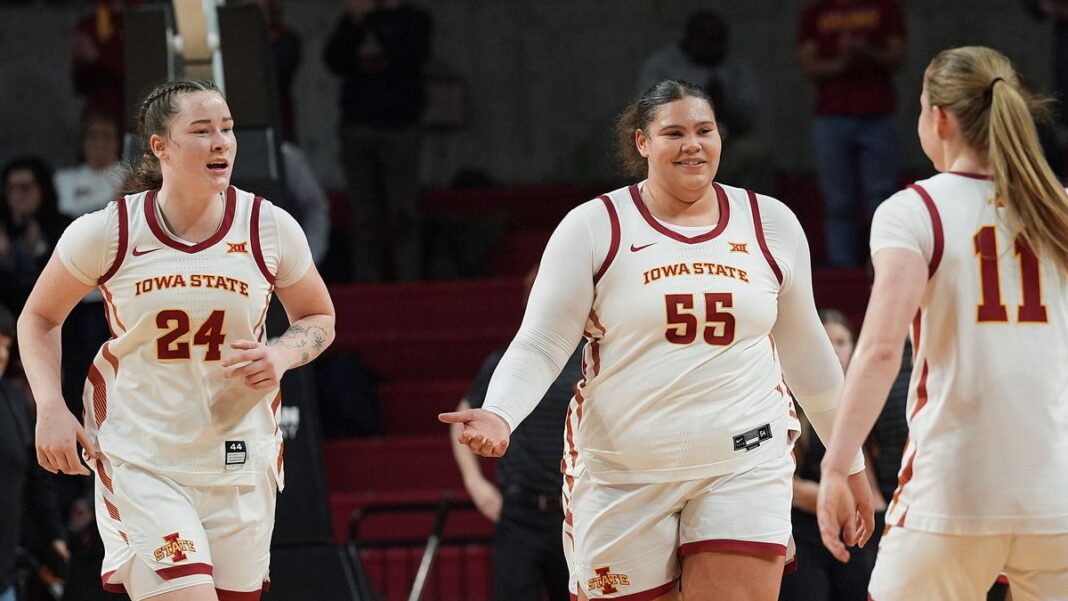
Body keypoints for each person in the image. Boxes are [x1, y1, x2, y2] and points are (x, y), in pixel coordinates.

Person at [440, 79, 873, 601]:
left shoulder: (772, 223)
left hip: (742, 459)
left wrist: (849, 464)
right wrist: (500, 412)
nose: (692, 144)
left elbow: (808, 352)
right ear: (642, 143)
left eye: (704, 131)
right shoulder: (593, 227)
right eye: (674, 133)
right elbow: (541, 342)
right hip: (625, 470)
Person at [18, 79, 336, 601]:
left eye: (228, 129)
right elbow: (39, 317)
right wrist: (49, 405)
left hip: (239, 456)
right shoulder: (109, 231)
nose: (222, 143)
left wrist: (281, 354)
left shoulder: (268, 227)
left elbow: (319, 316)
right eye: (203, 130)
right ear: (159, 147)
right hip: (142, 457)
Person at [817, 46, 1068, 600]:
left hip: (954, 490)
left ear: (940, 118)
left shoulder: (914, 210)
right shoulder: (1060, 208)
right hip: (1057, 496)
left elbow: (881, 351)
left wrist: (837, 466)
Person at [449, 264, 580, 601]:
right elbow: (466, 414)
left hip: (578, 511)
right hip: (521, 511)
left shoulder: (591, 358)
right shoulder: (510, 359)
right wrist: (475, 485)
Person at [323, 0, 432, 282]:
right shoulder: (354, 20)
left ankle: (410, 281)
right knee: (364, 215)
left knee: (403, 212)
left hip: (401, 127)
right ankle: (367, 283)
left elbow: (413, 55)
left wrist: (385, 28)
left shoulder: (413, 20)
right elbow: (334, 59)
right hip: (358, 127)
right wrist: (355, 22)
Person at [780, 309, 885, 601]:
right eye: (827, 342)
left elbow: (877, 492)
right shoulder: (790, 396)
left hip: (858, 529)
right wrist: (815, 496)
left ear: (855, 347)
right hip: (802, 527)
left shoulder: (872, 399)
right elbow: (780, 477)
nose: (835, 351)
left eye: (842, 342)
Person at [798, 0, 906, 267]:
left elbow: (897, 57)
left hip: (877, 114)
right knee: (838, 203)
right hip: (832, 117)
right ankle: (843, 272)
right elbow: (810, 67)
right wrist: (845, 62)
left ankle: (884, 265)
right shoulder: (816, 11)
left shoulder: (885, 7)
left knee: (881, 198)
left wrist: (867, 53)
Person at [639, 10, 772, 193]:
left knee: (756, 155)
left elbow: (751, 116)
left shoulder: (737, 67)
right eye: (707, 40)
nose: (713, 47)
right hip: (675, 141)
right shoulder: (662, 64)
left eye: (718, 40)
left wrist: (722, 108)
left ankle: (747, 216)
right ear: (689, 38)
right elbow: (648, 113)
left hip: (728, 141)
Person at [0, 304, 69, 601]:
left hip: (6, 575)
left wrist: (54, 537)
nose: (3, 354)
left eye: (6, 345)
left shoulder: (13, 398)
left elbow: (37, 477)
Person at [0, 157, 71, 314]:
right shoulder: (3, 230)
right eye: (11, 188)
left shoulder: (66, 228)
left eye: (25, 188)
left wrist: (38, 249)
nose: (17, 195)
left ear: (42, 189)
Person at [55, 113, 125, 221]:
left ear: (118, 142)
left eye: (107, 136)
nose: (101, 143)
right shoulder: (65, 178)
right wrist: (113, 197)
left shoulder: (130, 176)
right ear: (83, 142)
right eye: (94, 137)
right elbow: (67, 210)